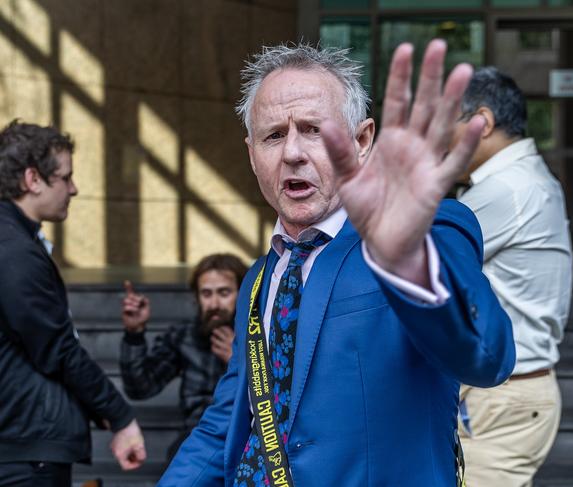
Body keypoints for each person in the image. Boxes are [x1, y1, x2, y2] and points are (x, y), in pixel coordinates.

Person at [159, 41, 516, 487]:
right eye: (273, 135)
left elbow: (486, 358)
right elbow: (227, 423)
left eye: (313, 130)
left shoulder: (429, 231)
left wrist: (408, 260)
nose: (292, 152)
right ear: (252, 154)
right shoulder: (257, 278)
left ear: (362, 140)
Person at [0, 120, 146, 487]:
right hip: (26, 453)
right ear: (33, 180)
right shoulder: (13, 250)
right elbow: (57, 349)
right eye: (65, 178)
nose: (74, 188)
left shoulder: (16, 242)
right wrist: (120, 416)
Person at [454, 67, 573, 487]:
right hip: (505, 397)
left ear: (481, 123)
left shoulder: (509, 188)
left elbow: (413, 257)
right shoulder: (522, 179)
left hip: (502, 400)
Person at [119, 253, 248, 451]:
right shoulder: (184, 337)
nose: (214, 304)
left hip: (248, 439)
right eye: (206, 294)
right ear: (197, 298)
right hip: (198, 439)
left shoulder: (262, 336)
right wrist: (134, 334)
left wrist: (239, 361)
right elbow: (140, 388)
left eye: (224, 293)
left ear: (243, 293)